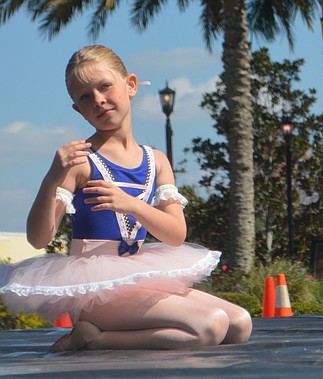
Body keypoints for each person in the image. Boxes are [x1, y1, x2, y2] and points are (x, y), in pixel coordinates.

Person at [0, 45, 252, 351]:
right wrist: (52, 178)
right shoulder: (81, 160)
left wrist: (131, 204)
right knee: (209, 326)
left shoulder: (156, 160)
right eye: (85, 96)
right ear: (78, 109)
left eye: (105, 86)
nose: (98, 100)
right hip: (96, 292)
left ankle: (94, 336)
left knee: (239, 323)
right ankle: (93, 340)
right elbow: (39, 238)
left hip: (139, 281)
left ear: (130, 85)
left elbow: (175, 235)